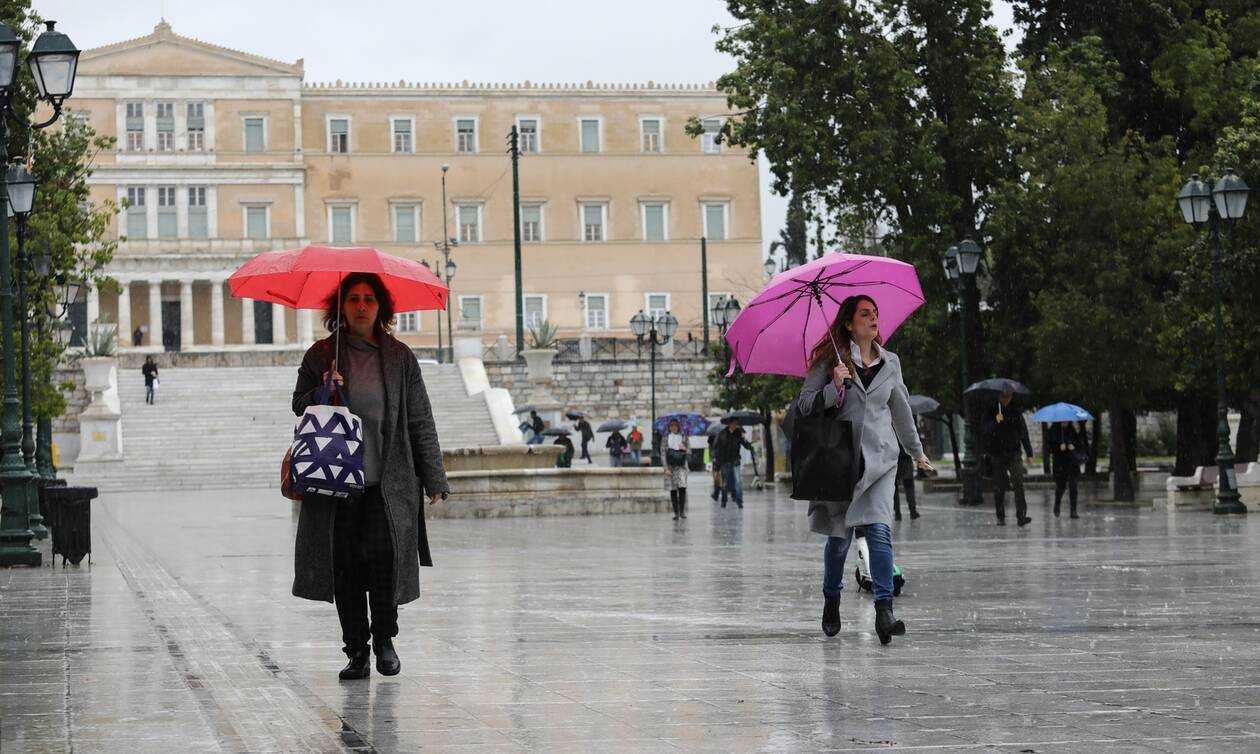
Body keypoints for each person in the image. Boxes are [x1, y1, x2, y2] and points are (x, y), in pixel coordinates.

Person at [290, 272, 448, 681]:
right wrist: (323, 390)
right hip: (335, 482)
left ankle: (385, 640)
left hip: (388, 482)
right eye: (353, 298)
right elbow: (298, 405)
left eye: (369, 299)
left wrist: (434, 477)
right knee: (344, 568)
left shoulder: (400, 358)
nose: (361, 305)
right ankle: (356, 650)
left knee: (385, 561)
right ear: (340, 307)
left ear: (382, 307)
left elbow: (420, 418)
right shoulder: (321, 354)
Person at [797, 294, 931, 644]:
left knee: (879, 533)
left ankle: (885, 610)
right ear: (848, 323)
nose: (873, 319)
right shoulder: (829, 361)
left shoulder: (890, 362)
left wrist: (916, 452)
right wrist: (834, 386)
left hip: (881, 462)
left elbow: (901, 410)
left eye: (875, 313)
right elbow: (805, 405)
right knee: (839, 541)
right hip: (840, 463)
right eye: (865, 314)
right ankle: (831, 598)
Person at [982, 390, 1034, 526]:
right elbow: (985, 431)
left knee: (1018, 482)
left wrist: (1029, 453)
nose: (1006, 399)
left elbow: (1023, 432)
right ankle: (1000, 516)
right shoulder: (991, 410)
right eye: (1003, 397)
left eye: (1008, 397)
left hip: (1013, 452)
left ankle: (1021, 515)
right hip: (997, 453)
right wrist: (995, 422)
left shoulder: (1015, 411)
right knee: (999, 486)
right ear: (999, 396)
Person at [1048, 420, 1086, 518]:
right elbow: (1048, 447)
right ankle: (1057, 504)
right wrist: (1058, 447)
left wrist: (1073, 447)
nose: (1065, 422)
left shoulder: (1072, 431)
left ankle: (1073, 510)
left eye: (1067, 421)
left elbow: (1079, 445)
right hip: (1060, 464)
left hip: (1072, 463)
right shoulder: (1053, 430)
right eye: (1063, 421)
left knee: (1073, 486)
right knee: (1061, 486)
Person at [713, 419, 753, 508]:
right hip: (724, 461)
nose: (735, 425)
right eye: (733, 423)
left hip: (735, 460)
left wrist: (747, 443)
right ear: (729, 424)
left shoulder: (738, 433)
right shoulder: (722, 434)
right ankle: (724, 500)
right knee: (725, 482)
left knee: (738, 481)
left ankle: (739, 501)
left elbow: (746, 445)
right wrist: (717, 462)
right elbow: (716, 448)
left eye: (736, 424)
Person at [663, 418, 690, 520]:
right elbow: (663, 453)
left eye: (675, 425)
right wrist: (666, 468)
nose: (673, 427)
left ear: (678, 426)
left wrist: (685, 449)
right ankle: (676, 513)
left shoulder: (684, 437)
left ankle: (682, 511)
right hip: (671, 467)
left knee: (682, 488)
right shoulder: (665, 439)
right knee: (673, 489)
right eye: (671, 425)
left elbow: (689, 451)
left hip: (681, 466)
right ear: (669, 427)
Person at [892, 444, 920, 521]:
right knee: (909, 486)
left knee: (894, 488)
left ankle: (897, 514)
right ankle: (913, 511)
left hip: (893, 460)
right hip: (906, 459)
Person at [708, 431, 726, 503]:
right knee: (720, 476)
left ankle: (717, 494)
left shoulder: (714, 434)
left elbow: (710, 444)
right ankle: (718, 493)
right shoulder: (727, 434)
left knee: (718, 476)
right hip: (720, 458)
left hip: (719, 458)